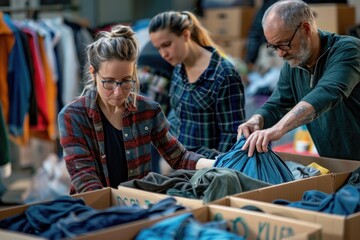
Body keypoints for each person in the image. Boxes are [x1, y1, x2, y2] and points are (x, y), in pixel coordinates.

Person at [58, 24, 215, 194]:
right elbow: (84, 178)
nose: (118, 92)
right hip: (96, 208)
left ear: (134, 74)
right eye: (109, 82)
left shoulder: (148, 111)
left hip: (137, 204)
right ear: (93, 73)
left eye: (126, 81)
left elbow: (179, 157)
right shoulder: (72, 116)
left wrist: (220, 164)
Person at [237, 0, 360, 161]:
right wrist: (257, 119)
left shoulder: (349, 50)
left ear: (306, 29)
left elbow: (328, 91)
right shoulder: (293, 64)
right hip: (339, 165)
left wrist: (278, 129)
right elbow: (277, 104)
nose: (280, 54)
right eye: (274, 47)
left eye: (284, 44)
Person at [149, 11, 246, 159]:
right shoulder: (178, 68)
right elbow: (175, 114)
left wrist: (215, 170)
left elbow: (231, 134)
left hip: (206, 169)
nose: (163, 54)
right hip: (178, 163)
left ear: (186, 35)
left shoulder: (223, 74)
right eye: (158, 48)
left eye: (167, 45)